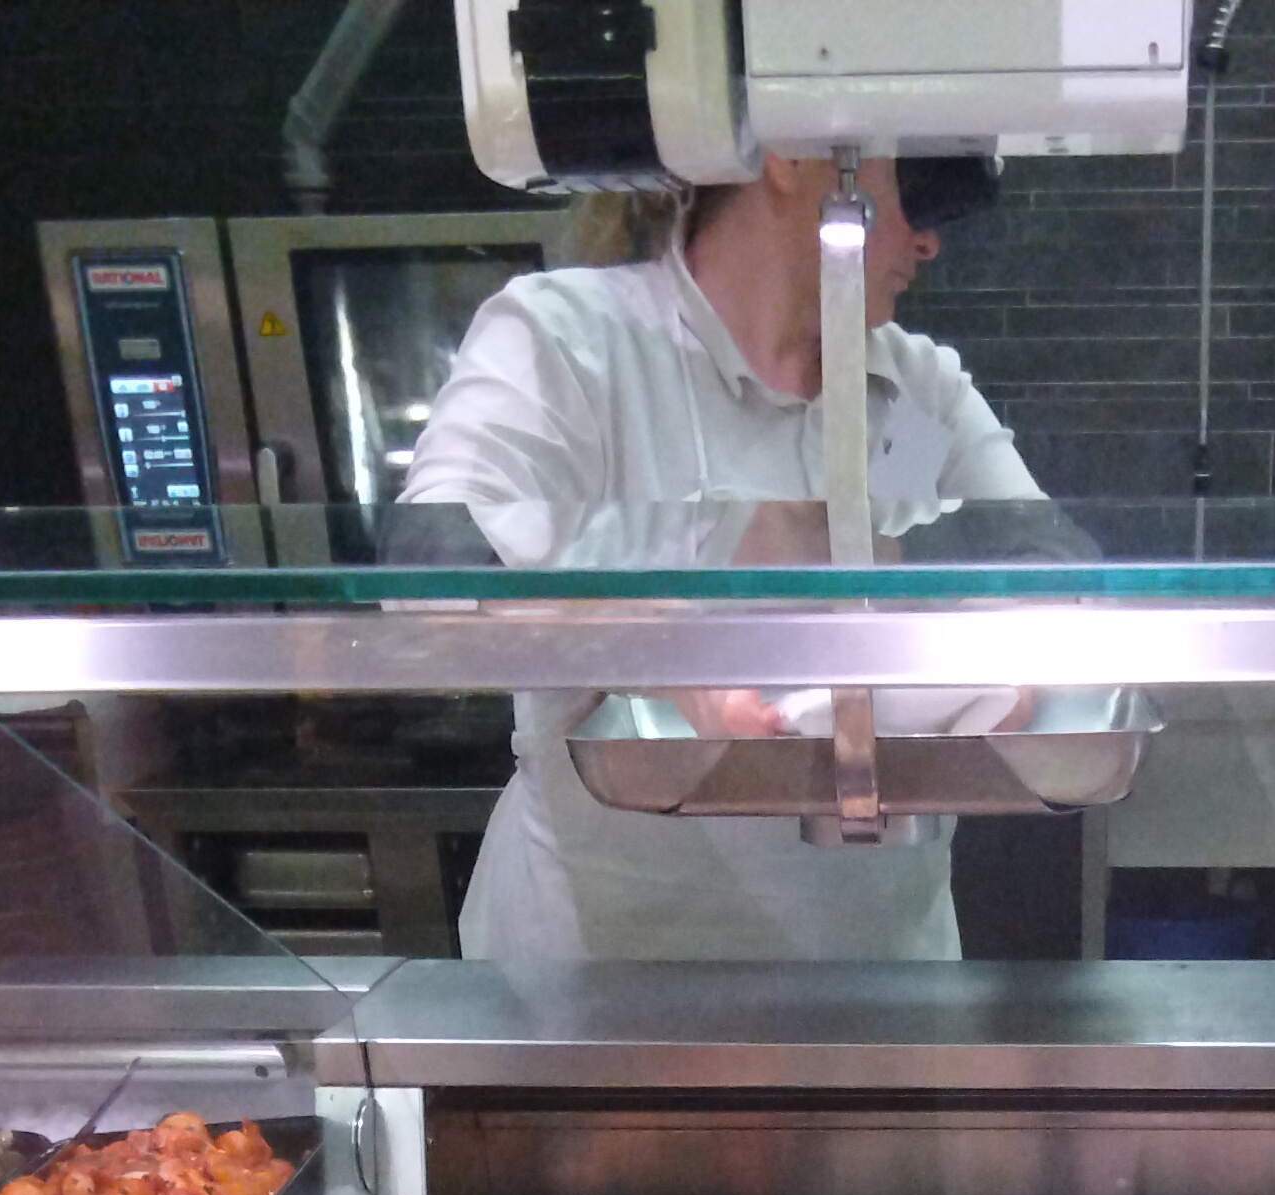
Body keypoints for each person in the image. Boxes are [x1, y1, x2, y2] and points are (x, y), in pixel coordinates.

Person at [400, 155, 1041, 962]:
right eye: (916, 184)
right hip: (602, 988)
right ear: (793, 159)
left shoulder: (904, 391)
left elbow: (1036, 552)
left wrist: (1011, 654)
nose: (929, 240)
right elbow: (431, 561)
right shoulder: (572, 345)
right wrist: (658, 648)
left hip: (885, 980)